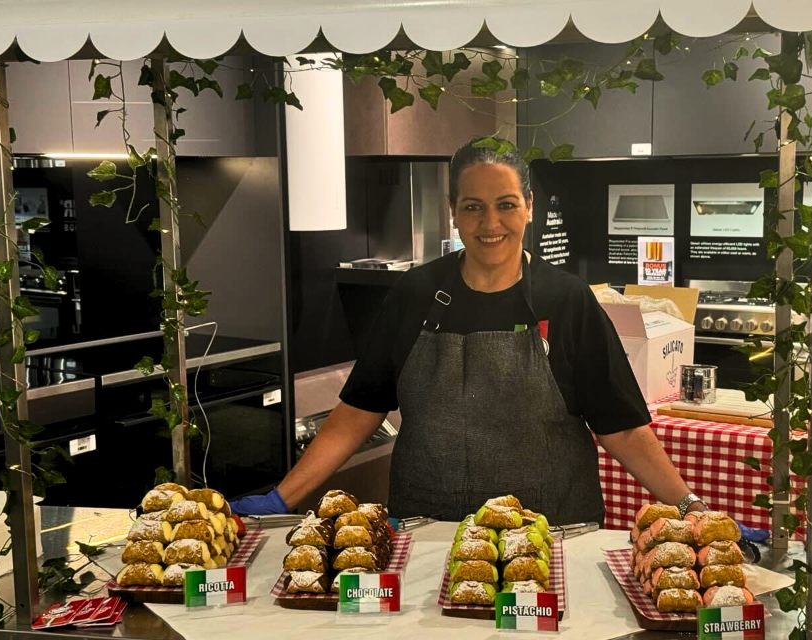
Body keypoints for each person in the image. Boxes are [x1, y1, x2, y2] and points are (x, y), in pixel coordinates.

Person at [231, 140, 710, 525]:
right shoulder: (414, 293)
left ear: (528, 207)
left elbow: (622, 427)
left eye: (505, 205)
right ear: (454, 212)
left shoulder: (568, 301)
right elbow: (359, 411)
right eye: (473, 207)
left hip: (551, 531)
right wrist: (282, 497)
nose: (491, 223)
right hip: (429, 528)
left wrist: (690, 506)